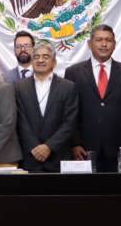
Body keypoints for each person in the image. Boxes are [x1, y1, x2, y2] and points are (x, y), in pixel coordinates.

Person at [65, 24, 121, 172]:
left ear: (114, 44)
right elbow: (70, 113)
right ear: (89, 44)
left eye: (108, 40)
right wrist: (74, 143)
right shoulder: (73, 73)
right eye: (99, 40)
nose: (104, 44)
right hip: (84, 150)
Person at [15, 42, 78, 172]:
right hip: (30, 157)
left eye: (46, 56)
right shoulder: (19, 87)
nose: (40, 60)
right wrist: (34, 147)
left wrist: (49, 147)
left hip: (58, 157)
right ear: (32, 62)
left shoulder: (68, 87)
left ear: (54, 62)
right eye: (36, 57)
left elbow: (70, 122)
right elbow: (20, 120)